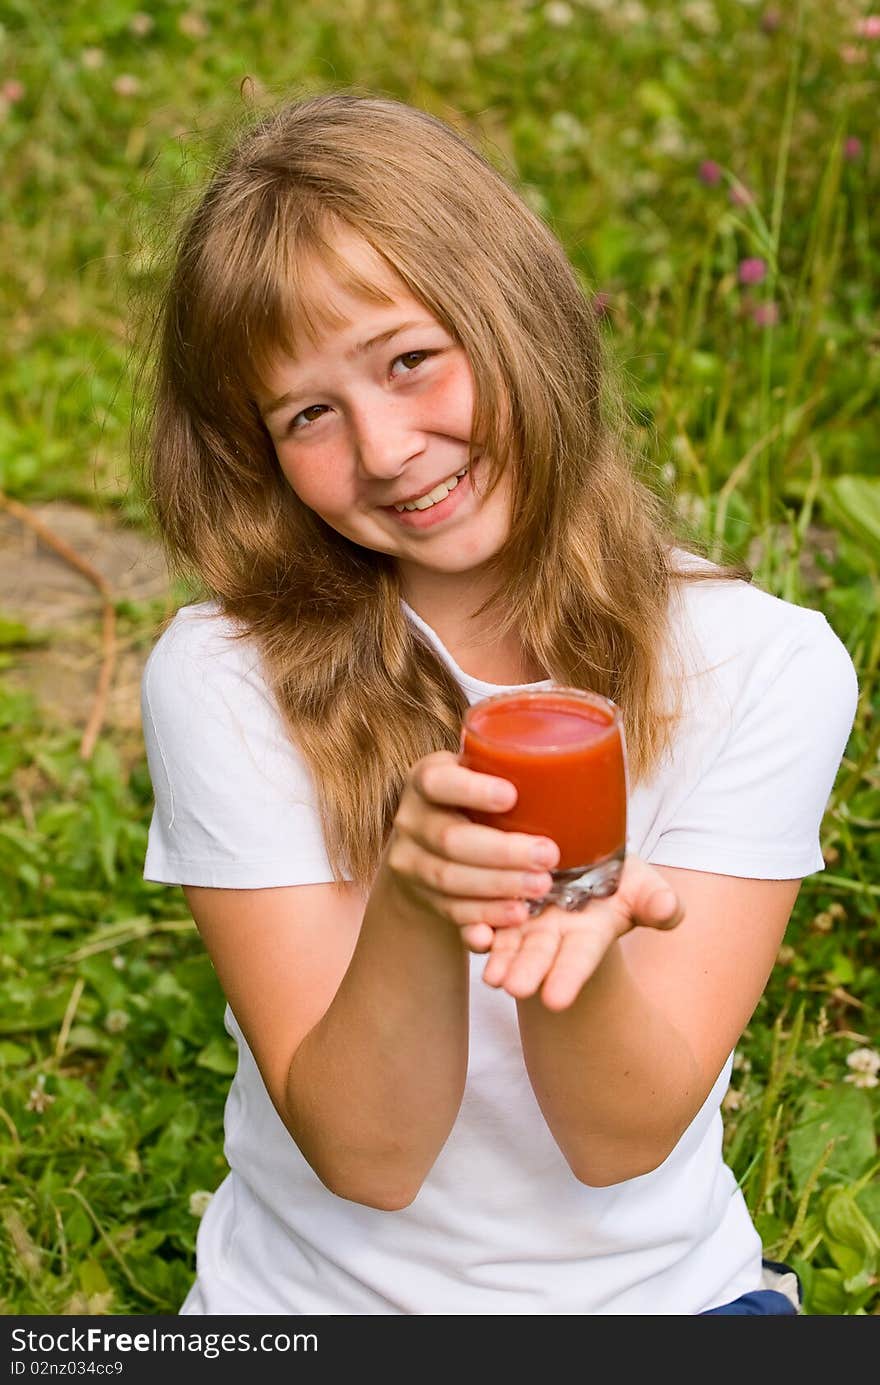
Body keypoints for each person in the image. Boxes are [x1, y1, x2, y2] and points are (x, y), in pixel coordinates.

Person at [137, 89, 858, 1316]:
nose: (383, 448)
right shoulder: (224, 672)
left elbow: (617, 1139)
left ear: (516, 314)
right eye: (309, 414)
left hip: (661, 1302)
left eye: (411, 359)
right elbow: (369, 1155)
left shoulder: (765, 663)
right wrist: (415, 903)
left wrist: (584, 952)